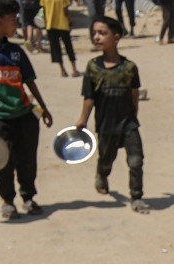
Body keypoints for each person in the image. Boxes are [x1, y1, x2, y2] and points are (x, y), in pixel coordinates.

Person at [0, 0, 54, 219]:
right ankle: (7, 200)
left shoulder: (16, 51)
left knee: (27, 158)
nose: (17, 23)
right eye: (13, 19)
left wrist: (43, 109)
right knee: (2, 159)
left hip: (24, 114)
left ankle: (28, 197)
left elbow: (30, 82)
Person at [76, 16, 149, 214]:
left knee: (136, 160)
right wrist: (83, 119)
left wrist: (133, 117)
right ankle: (102, 174)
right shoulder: (93, 67)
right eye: (95, 33)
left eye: (102, 33)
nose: (96, 37)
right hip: (106, 124)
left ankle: (137, 197)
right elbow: (89, 97)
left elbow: (134, 95)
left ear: (116, 37)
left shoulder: (129, 68)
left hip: (128, 123)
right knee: (107, 158)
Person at [40, 0, 80, 77]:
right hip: (63, 24)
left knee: (56, 48)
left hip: (50, 25)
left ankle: (62, 70)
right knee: (68, 47)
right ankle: (74, 69)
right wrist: (71, 20)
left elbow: (43, 10)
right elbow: (65, 11)